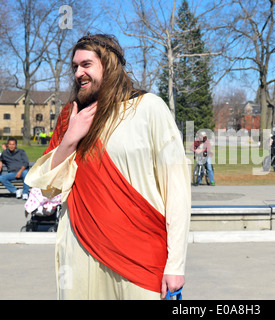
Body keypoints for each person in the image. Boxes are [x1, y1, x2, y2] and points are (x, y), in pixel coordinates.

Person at [25, 34, 191, 300]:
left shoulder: (149, 107)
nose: (78, 72)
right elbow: (45, 191)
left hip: (141, 253)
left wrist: (176, 264)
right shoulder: (71, 115)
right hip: (81, 249)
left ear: (110, 64)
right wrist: (70, 138)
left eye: (86, 64)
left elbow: (177, 192)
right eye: (75, 67)